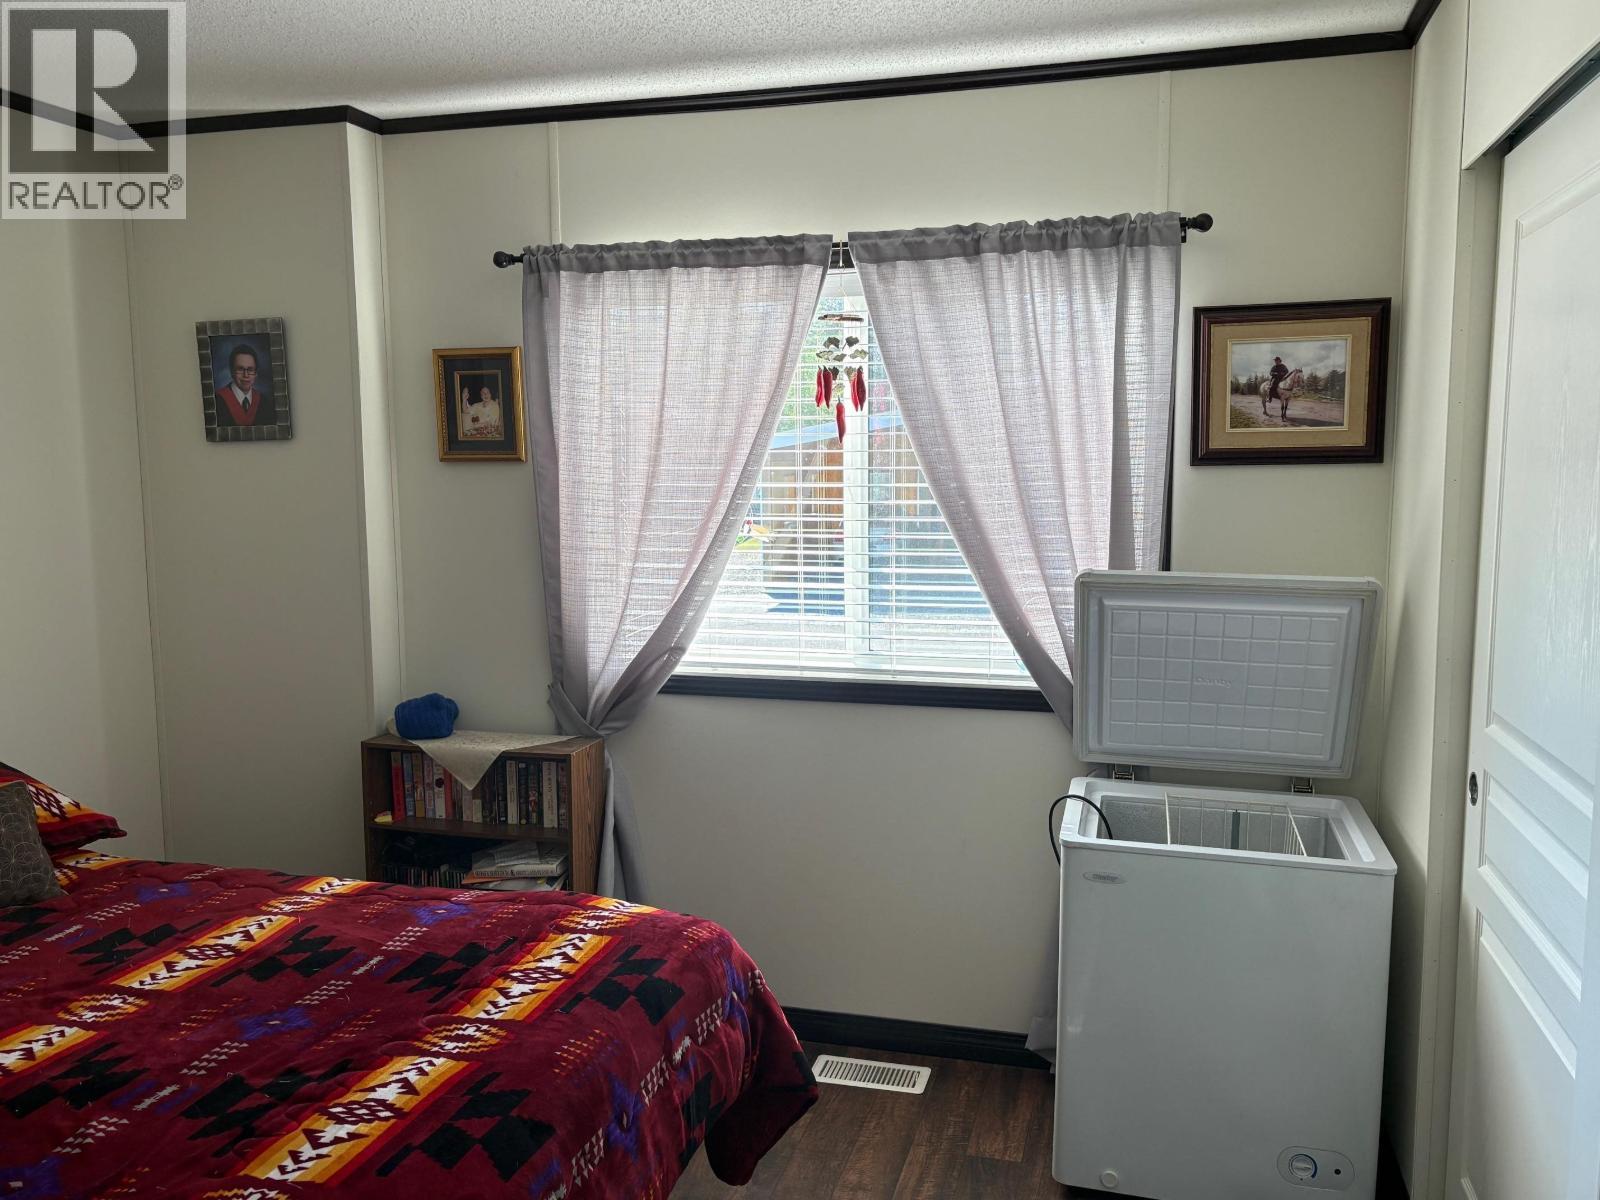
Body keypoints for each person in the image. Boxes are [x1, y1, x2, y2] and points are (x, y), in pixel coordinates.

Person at [215, 342, 275, 427]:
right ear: (232, 372)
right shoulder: (216, 402)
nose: (246, 375)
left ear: (256, 373)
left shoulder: (265, 404)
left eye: (250, 369)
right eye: (240, 369)